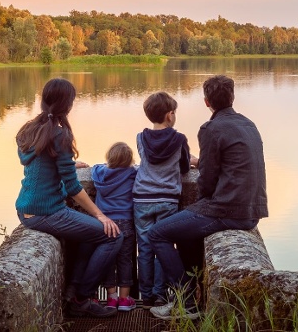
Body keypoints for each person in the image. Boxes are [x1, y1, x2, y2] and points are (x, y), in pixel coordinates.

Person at [148, 75, 268, 321]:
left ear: (206, 102)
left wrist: (202, 202)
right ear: (232, 97)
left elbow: (208, 176)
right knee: (185, 233)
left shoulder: (211, 128)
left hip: (227, 209)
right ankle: (192, 296)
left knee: (157, 233)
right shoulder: (249, 124)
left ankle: (187, 299)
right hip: (252, 209)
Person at [15, 78, 123, 318]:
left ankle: (72, 290)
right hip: (47, 211)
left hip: (26, 208)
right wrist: (100, 214)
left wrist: (68, 164)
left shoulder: (29, 129)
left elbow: (41, 165)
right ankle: (82, 298)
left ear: (44, 100)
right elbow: (73, 188)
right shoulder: (58, 135)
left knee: (90, 235)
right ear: (68, 105)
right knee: (113, 236)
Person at [132, 91, 198, 308]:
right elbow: (184, 166)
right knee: (164, 246)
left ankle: (146, 295)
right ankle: (160, 294)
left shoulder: (141, 138)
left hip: (141, 198)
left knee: (145, 247)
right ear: (170, 115)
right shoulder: (179, 139)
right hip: (167, 198)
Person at [90, 142, 139, 312]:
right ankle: (125, 299)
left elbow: (95, 167)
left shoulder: (99, 173)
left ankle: (111, 298)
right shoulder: (132, 173)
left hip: (105, 224)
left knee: (108, 260)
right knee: (125, 260)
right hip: (125, 221)